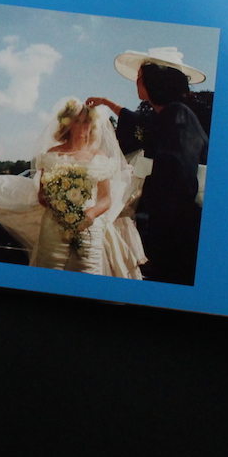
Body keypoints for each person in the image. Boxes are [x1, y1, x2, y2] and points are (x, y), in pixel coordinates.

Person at [87, 47, 209, 285]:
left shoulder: (178, 116)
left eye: (140, 77)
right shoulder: (167, 115)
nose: (137, 81)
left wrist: (145, 181)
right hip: (168, 225)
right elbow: (138, 122)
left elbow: (179, 177)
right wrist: (105, 102)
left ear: (156, 81)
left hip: (179, 230)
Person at [29, 98, 144, 276]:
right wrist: (61, 209)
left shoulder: (100, 158)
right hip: (54, 227)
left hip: (89, 228)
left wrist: (91, 213)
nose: (83, 126)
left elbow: (105, 198)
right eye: (78, 121)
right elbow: (42, 195)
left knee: (87, 275)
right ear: (68, 123)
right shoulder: (52, 155)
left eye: (87, 121)